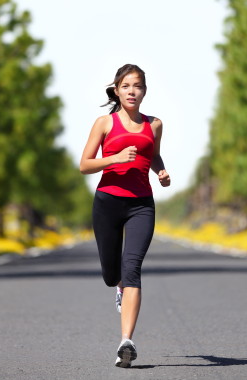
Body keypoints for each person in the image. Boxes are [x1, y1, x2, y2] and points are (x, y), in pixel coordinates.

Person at [80, 64, 171, 368]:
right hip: (107, 203)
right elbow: (85, 164)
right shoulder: (104, 123)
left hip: (141, 205)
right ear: (117, 90)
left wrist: (160, 170)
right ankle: (117, 286)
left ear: (145, 90)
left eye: (139, 86)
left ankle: (126, 342)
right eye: (127, 86)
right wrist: (115, 158)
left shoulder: (154, 124)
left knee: (132, 267)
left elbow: (153, 152)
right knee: (111, 274)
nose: (133, 91)